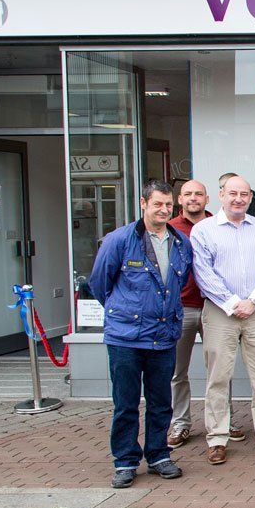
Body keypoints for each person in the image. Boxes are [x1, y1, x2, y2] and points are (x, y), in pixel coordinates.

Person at [89, 180, 191, 489]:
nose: (164, 209)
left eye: (168, 205)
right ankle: (125, 461)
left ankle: (159, 455)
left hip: (163, 333)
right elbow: (99, 283)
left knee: (161, 400)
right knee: (126, 402)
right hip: (126, 338)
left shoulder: (180, 242)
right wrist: (123, 311)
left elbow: (181, 280)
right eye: (158, 204)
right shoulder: (119, 240)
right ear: (143, 204)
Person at [190, 175, 255, 464]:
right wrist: (234, 303)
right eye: (232, 193)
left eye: (244, 194)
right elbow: (203, 273)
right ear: (221, 195)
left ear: (250, 197)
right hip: (221, 311)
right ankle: (217, 438)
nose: (238, 199)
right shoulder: (203, 230)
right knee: (218, 377)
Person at [166, 179, 246, 448]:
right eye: (187, 194)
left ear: (208, 198)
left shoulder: (219, 225)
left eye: (198, 194)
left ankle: (224, 421)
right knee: (178, 370)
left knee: (220, 369)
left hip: (218, 307)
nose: (193, 198)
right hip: (183, 306)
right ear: (180, 200)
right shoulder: (170, 229)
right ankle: (181, 422)